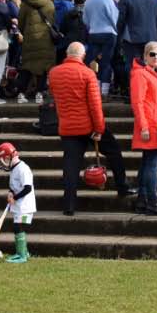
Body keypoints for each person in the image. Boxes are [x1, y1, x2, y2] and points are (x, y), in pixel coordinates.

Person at [46, 42, 135, 214]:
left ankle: (69, 205)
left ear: (67, 54)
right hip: (88, 126)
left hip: (67, 127)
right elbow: (95, 106)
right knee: (114, 151)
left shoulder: (54, 73)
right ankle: (122, 186)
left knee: (70, 167)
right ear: (83, 55)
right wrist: (99, 129)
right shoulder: (87, 74)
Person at [130, 40, 157, 216]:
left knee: (148, 163)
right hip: (151, 126)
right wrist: (144, 127)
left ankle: (142, 201)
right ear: (145, 56)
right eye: (152, 54)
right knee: (151, 165)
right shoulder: (141, 74)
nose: (156, 57)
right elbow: (137, 103)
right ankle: (152, 202)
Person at [0, 141, 35, 264]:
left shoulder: (23, 169)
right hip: (18, 205)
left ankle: (22, 255)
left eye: (2, 161)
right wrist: (11, 193)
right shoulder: (15, 169)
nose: (2, 164)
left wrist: (15, 197)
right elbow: (15, 186)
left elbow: (27, 188)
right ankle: (23, 252)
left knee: (18, 228)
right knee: (17, 228)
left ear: (8, 157)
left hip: (25, 206)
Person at [118, 0, 157, 83]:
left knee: (132, 65)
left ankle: (134, 92)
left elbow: (121, 19)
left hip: (131, 38)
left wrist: (119, 36)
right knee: (151, 64)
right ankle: (149, 90)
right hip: (151, 37)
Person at [82, 0, 120, 98]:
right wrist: (117, 30)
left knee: (92, 61)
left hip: (93, 33)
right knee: (106, 62)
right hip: (108, 33)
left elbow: (85, 19)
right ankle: (104, 91)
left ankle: (95, 88)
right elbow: (114, 17)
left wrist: (92, 27)